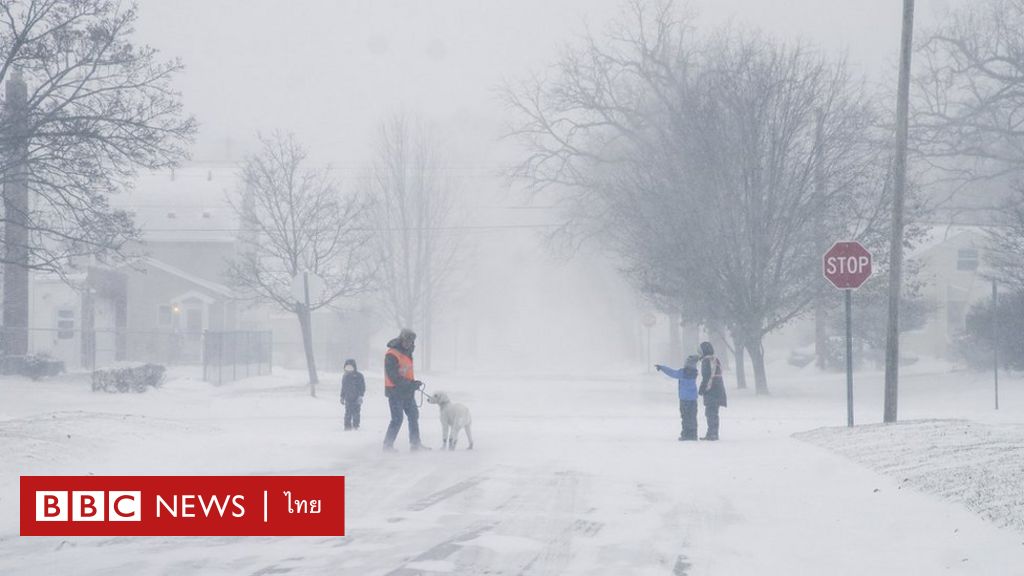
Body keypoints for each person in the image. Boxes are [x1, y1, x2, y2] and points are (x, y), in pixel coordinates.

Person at [382, 328, 430, 451]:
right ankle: (387, 445)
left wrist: (413, 383)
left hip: (407, 391)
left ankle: (415, 443)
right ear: (401, 339)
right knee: (397, 419)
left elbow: (405, 373)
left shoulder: (408, 353)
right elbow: (393, 376)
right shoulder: (391, 354)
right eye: (407, 341)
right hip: (394, 391)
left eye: (411, 341)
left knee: (414, 415)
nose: (409, 343)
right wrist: (410, 384)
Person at [655, 354, 701, 441]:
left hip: (684, 399)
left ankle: (686, 434)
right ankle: (693, 434)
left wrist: (662, 367)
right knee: (692, 417)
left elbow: (672, 372)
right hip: (693, 399)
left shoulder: (682, 372)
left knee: (685, 417)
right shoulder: (694, 373)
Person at [697, 341, 728, 441]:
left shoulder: (706, 361)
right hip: (718, 389)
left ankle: (712, 434)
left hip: (711, 390)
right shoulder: (715, 359)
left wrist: (702, 389)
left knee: (710, 413)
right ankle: (713, 433)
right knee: (714, 412)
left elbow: (707, 376)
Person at [340, 359, 366, 430]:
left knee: (356, 412)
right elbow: (343, 387)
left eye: (350, 368)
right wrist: (342, 397)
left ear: (354, 367)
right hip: (348, 398)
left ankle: (356, 426)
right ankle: (347, 426)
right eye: (347, 368)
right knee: (348, 413)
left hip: (357, 398)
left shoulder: (359, 376)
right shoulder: (345, 377)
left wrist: (360, 396)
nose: (349, 370)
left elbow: (362, 387)